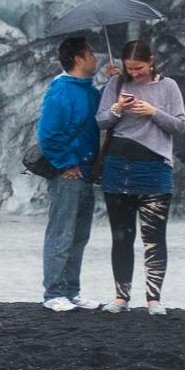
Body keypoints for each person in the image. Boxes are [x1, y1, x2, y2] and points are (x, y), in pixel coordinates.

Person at [97, 40, 185, 315]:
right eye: (129, 68)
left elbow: (180, 125)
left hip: (154, 171)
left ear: (152, 61)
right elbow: (100, 121)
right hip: (117, 171)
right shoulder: (115, 84)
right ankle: (121, 297)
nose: (134, 73)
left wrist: (153, 112)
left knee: (154, 238)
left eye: (139, 68)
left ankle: (153, 300)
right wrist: (118, 109)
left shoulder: (168, 86)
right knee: (121, 237)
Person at [37, 35, 109, 311]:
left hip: (86, 172)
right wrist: (66, 164)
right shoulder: (62, 91)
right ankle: (53, 293)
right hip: (68, 174)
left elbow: (103, 114)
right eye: (91, 53)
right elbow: (48, 135)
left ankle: (71, 290)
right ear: (78, 58)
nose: (96, 58)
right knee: (61, 233)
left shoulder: (88, 90)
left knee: (79, 234)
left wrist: (112, 84)